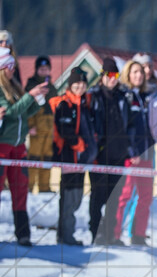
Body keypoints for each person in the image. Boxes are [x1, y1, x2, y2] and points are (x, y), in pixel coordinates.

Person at [0, 48, 49, 246]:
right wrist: (30, 96)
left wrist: (38, 101)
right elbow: (10, 113)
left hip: (19, 146)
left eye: (14, 66)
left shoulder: (14, 86)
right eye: (9, 66)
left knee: (20, 191)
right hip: (3, 145)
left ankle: (23, 233)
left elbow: (23, 114)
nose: (13, 70)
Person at [87, 57, 130, 245]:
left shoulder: (123, 96)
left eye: (116, 75)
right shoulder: (93, 96)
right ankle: (96, 233)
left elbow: (130, 123)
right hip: (99, 155)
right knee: (98, 196)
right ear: (102, 75)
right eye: (110, 75)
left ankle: (110, 234)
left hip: (118, 154)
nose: (113, 79)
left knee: (114, 197)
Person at [49, 67, 94, 246]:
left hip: (82, 160)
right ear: (70, 84)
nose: (80, 86)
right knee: (69, 198)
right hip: (69, 157)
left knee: (77, 197)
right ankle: (65, 235)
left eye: (83, 83)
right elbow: (64, 128)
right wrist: (79, 144)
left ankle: (66, 234)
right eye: (76, 83)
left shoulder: (84, 103)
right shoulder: (65, 104)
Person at [114, 59, 157, 245]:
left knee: (146, 196)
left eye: (141, 72)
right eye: (135, 72)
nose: (139, 75)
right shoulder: (125, 96)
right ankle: (114, 234)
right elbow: (123, 127)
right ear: (128, 75)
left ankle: (138, 234)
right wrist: (131, 151)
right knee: (124, 196)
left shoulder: (145, 97)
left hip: (147, 154)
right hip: (131, 157)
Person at [25, 56, 58, 194]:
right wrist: (29, 126)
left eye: (46, 68)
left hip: (49, 128)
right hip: (36, 128)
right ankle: (30, 186)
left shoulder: (52, 87)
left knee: (47, 158)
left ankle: (45, 187)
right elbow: (26, 108)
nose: (44, 71)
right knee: (34, 158)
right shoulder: (31, 85)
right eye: (41, 68)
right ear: (37, 69)